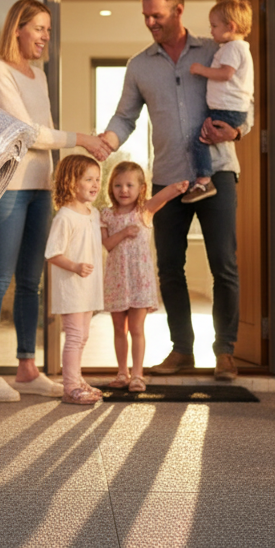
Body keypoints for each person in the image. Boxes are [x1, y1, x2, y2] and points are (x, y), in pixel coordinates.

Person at [99, 0, 252, 381]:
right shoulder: (140, 65)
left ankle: (225, 351)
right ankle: (182, 350)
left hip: (217, 171)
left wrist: (236, 132)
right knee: (169, 267)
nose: (150, 21)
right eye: (146, 15)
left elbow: (244, 102)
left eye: (157, 15)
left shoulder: (216, 51)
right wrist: (106, 142)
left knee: (224, 263)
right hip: (168, 178)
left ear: (178, 11)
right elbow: (125, 116)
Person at [0, 0, 109, 402]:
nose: (45, 36)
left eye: (48, 29)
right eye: (39, 28)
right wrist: (81, 138)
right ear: (18, 28)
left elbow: (45, 130)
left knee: (31, 282)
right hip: (8, 187)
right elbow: (29, 132)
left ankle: (28, 368)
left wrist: (68, 163)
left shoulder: (39, 76)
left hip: (40, 187)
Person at [100, 161, 189, 392]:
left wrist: (179, 186)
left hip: (139, 281)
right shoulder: (106, 215)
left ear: (141, 188)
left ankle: (137, 375)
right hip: (116, 281)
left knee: (136, 329)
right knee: (119, 329)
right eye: (118, 185)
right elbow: (107, 244)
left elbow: (163, 197)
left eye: (130, 185)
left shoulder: (144, 212)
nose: (124, 190)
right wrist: (123, 233)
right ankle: (122, 373)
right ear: (111, 188)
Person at [44, 153, 106, 406]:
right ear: (71, 182)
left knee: (83, 336)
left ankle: (77, 380)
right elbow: (52, 254)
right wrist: (75, 266)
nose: (95, 184)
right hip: (71, 287)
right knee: (74, 335)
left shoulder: (93, 213)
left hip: (88, 287)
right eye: (88, 179)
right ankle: (69, 387)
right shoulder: (65, 217)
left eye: (97, 179)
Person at [182, 0, 255, 204]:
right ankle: (204, 179)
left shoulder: (233, 48)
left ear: (230, 27)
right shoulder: (237, 48)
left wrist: (200, 70)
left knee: (199, 140)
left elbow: (226, 73)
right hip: (230, 109)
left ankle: (204, 181)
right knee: (202, 137)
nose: (211, 31)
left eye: (214, 26)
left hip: (228, 110)